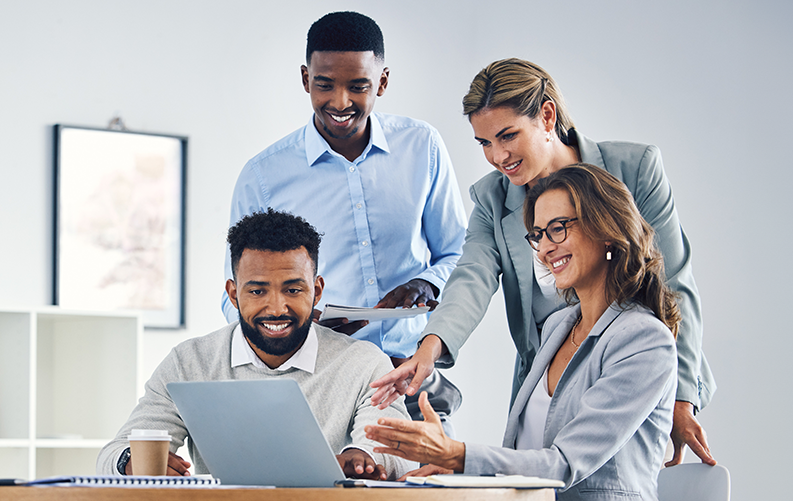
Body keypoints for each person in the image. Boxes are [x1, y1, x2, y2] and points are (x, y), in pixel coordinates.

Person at [371, 58, 716, 466]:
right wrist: (427, 351)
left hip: (629, 368)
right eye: (484, 143)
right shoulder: (493, 198)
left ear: (547, 115)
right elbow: (472, 277)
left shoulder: (634, 170)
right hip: (547, 375)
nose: (498, 156)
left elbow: (673, 283)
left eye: (507, 136)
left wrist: (680, 397)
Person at [366, 164, 678, 500]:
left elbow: (563, 464)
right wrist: (458, 469)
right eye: (538, 235)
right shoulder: (560, 326)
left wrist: (457, 455)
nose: (544, 249)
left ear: (606, 229)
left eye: (558, 228)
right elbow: (529, 458)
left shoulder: (644, 340)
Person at [223, 11, 467, 433]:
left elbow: (460, 255)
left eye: (359, 86)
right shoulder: (263, 176)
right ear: (305, 79)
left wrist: (425, 285)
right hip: (318, 386)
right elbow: (234, 298)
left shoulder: (421, 147)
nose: (340, 102)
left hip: (410, 380)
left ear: (383, 82)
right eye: (324, 84)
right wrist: (289, 323)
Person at [98, 209, 413, 480]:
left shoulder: (364, 363)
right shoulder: (188, 361)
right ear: (233, 294)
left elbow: (400, 453)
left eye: (292, 290)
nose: (276, 308)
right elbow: (112, 454)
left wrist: (363, 457)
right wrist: (129, 463)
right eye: (257, 291)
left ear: (316, 291)